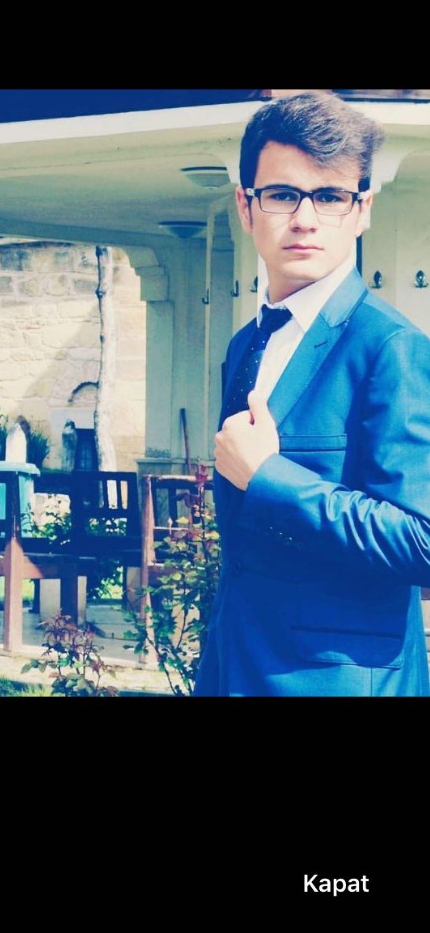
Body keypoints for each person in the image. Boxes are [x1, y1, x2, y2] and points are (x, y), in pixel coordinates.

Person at [194, 91, 430, 697]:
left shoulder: (390, 346)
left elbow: (422, 541)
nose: (304, 219)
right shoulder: (245, 344)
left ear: (362, 210)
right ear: (246, 206)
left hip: (339, 681)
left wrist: (270, 477)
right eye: (282, 194)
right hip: (234, 668)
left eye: (329, 196)